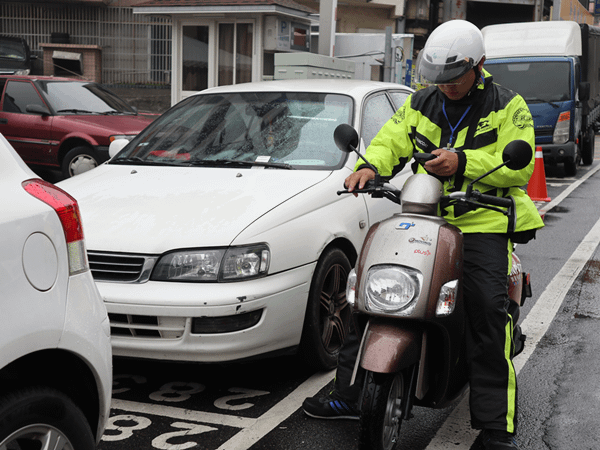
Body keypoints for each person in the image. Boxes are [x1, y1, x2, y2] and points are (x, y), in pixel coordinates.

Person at [302, 19, 545, 450]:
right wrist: (369, 166)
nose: (446, 86)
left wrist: (463, 162)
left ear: (480, 65)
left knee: (488, 314)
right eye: (439, 78)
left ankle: (495, 425)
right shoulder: (421, 101)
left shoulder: (510, 106)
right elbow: (390, 140)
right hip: (422, 214)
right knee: (367, 294)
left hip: (481, 221)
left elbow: (520, 163)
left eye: (454, 77)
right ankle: (351, 394)